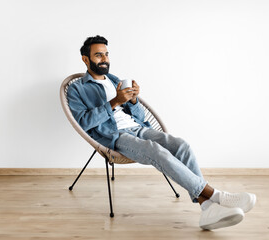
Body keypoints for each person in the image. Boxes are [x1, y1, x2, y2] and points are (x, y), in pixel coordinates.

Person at [67, 35, 256, 230]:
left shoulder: (115, 80)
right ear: (85, 59)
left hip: (139, 128)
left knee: (181, 145)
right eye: (98, 55)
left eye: (106, 54)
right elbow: (84, 123)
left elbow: (139, 116)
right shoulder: (76, 89)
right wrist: (114, 102)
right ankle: (217, 196)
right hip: (114, 136)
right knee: (156, 151)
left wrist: (133, 100)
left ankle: (207, 208)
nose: (104, 59)